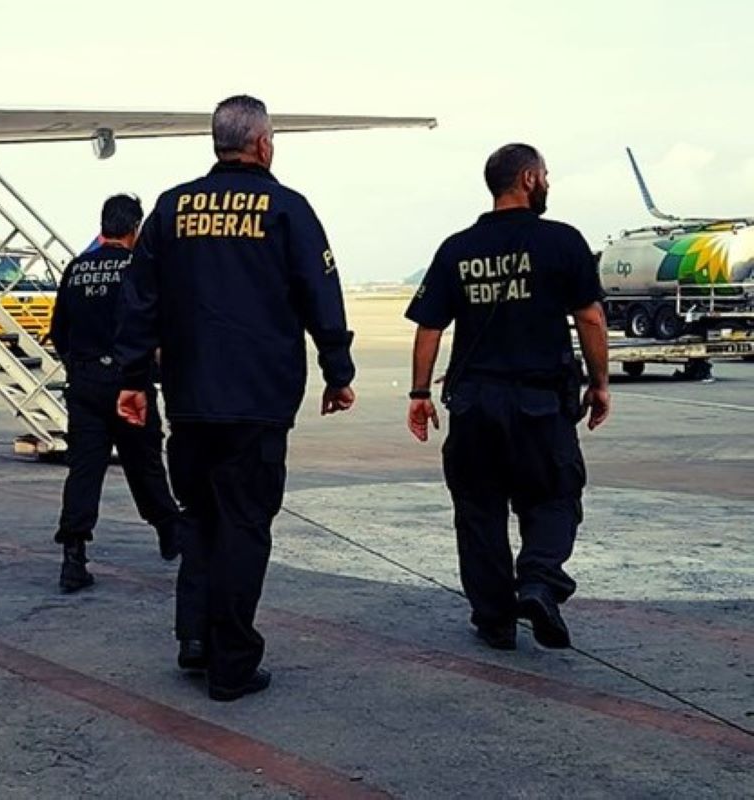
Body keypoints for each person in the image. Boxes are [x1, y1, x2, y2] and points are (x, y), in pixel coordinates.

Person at [115, 95, 356, 701]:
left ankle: (195, 638)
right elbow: (319, 293)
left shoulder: (171, 209)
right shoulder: (287, 209)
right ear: (264, 144)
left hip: (191, 398)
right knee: (246, 525)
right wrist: (337, 368)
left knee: (200, 518)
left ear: (217, 142)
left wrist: (132, 380)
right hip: (258, 400)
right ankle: (232, 661)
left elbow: (139, 301)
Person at [404, 143, 611, 651]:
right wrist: (600, 383)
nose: (547, 182)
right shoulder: (562, 242)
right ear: (527, 178)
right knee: (555, 497)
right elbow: (590, 317)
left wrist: (418, 392)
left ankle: (495, 618)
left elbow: (429, 327)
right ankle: (539, 581)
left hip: (474, 405)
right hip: (540, 404)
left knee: (479, 510)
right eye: (544, 174)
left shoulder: (456, 248)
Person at [49, 194, 183, 593]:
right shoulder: (139, 267)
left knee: (84, 470)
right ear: (134, 228)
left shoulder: (76, 269)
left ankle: (73, 555)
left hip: (86, 383)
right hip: (130, 381)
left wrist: (79, 365)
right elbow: (155, 323)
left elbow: (60, 332)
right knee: (144, 463)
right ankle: (169, 531)